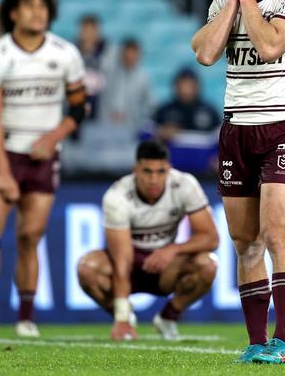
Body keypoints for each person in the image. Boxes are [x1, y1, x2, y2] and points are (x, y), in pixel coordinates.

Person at [191, 0, 285, 364]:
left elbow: (268, 46)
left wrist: (248, 0)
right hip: (235, 129)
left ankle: (284, 344)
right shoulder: (224, 1)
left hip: (280, 125)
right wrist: (234, 3)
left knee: (278, 235)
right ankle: (255, 342)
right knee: (245, 243)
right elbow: (205, 52)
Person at [0, 0, 87, 338]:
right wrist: (2, 172)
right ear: (13, 13)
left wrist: (53, 137)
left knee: (30, 236)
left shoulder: (65, 53)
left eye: (43, 6)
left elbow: (80, 108)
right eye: (30, 5)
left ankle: (25, 317)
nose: (38, 12)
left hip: (43, 157)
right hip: (4, 153)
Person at [77, 140, 218, 341]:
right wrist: (121, 315)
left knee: (208, 265)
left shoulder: (184, 185)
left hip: (166, 267)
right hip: (129, 263)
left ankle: (168, 317)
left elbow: (211, 238)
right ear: (136, 170)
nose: (154, 179)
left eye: (160, 172)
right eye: (147, 171)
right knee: (87, 268)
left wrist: (172, 250)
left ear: (169, 169)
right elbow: (122, 261)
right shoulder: (117, 196)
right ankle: (126, 317)